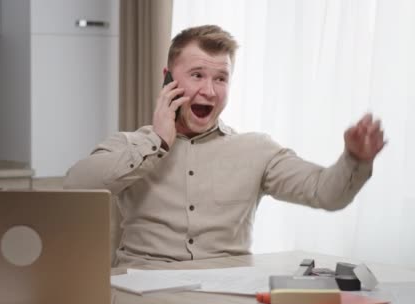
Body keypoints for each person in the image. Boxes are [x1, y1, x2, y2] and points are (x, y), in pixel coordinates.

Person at [63, 25, 385, 267]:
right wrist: (157, 141)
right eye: (197, 75)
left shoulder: (257, 150)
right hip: (141, 296)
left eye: (221, 78)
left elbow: (325, 193)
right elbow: (77, 185)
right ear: (167, 79)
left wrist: (355, 159)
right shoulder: (131, 146)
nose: (210, 91)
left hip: (225, 298)